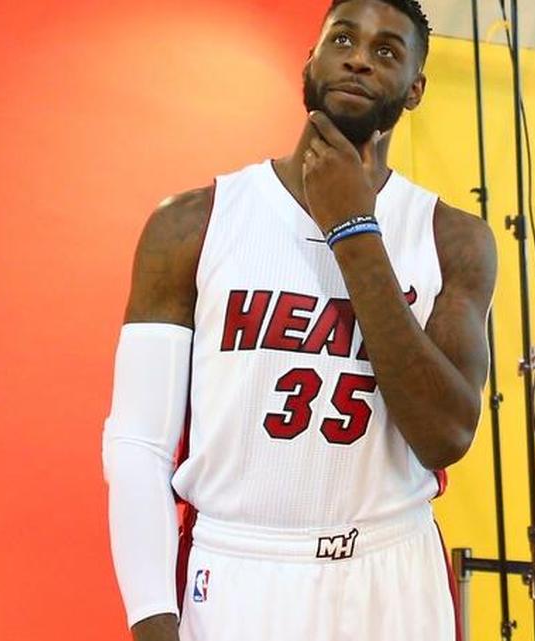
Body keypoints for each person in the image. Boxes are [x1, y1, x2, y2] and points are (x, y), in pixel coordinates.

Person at [101, 0, 496, 639]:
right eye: (343, 37)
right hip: (241, 567)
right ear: (309, 61)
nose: (360, 57)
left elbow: (445, 435)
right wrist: (151, 616)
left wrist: (354, 229)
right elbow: (138, 442)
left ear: (416, 88)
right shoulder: (193, 223)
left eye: (388, 50)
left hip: (391, 566)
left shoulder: (453, 238)